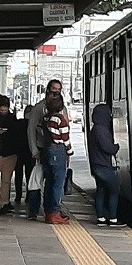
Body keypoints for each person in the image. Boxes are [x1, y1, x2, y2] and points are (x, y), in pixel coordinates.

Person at [88, 104, 125, 227]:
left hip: (96, 166)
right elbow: (108, 148)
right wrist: (116, 147)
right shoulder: (102, 130)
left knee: (101, 191)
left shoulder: (94, 129)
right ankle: (113, 219)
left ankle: (101, 218)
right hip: (105, 166)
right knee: (114, 190)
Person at [42, 94, 72, 224]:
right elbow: (65, 138)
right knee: (58, 184)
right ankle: (55, 212)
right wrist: (70, 151)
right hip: (58, 150)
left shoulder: (46, 118)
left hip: (47, 150)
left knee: (49, 182)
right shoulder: (60, 119)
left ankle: (48, 211)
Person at [13, 104, 34, 209]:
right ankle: (29, 196)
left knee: (18, 174)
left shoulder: (18, 123)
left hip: (18, 152)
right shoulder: (33, 124)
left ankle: (18, 195)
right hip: (29, 153)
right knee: (29, 175)